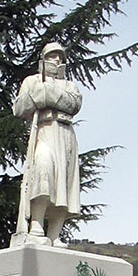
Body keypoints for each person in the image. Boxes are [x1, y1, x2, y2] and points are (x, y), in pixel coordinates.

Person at [11, 42, 83, 246]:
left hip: (66, 135)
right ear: (43, 58)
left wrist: (47, 93)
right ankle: (36, 225)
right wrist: (39, 93)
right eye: (52, 55)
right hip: (43, 131)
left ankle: (54, 235)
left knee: (64, 183)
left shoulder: (70, 85)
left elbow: (74, 104)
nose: (57, 60)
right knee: (43, 171)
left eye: (60, 56)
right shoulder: (32, 81)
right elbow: (19, 108)